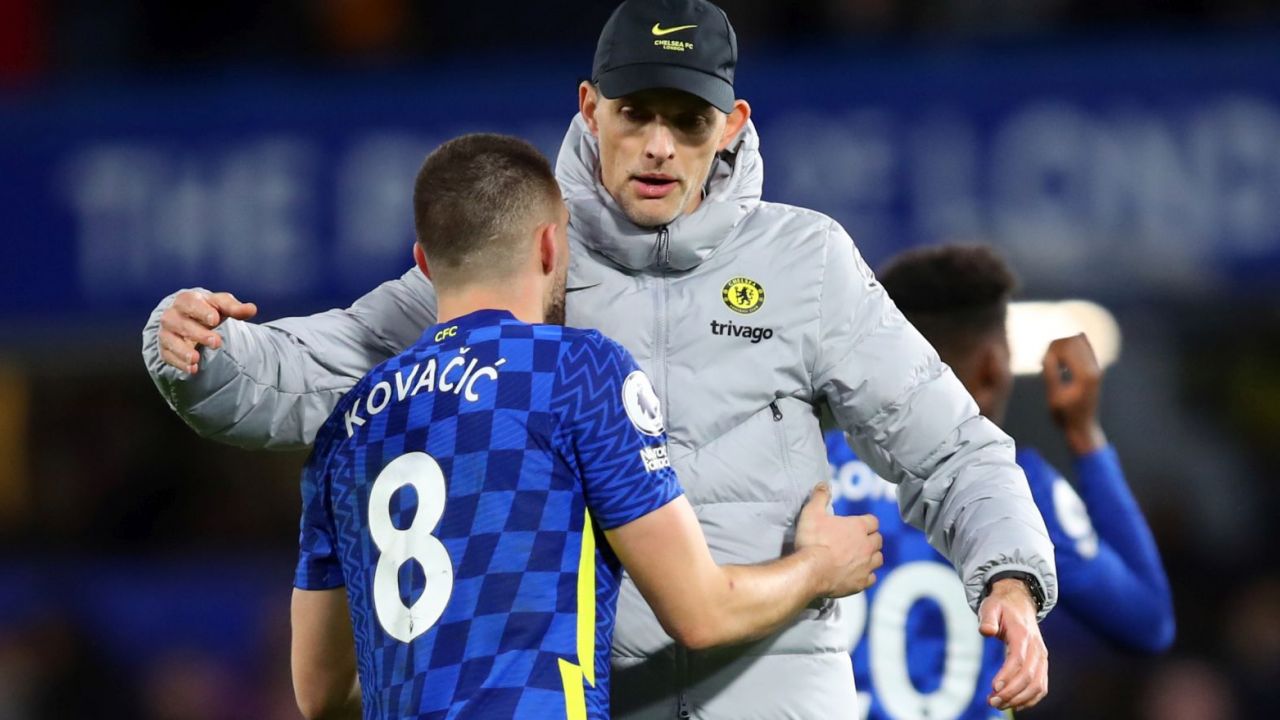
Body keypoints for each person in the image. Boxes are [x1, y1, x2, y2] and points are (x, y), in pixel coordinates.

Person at [142, 1, 1059, 716]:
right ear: (590, 107)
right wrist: (205, 354)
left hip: (778, 684)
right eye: (636, 113)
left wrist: (1009, 574)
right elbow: (328, 365)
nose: (659, 143)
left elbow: (949, 446)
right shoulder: (519, 253)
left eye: (687, 119)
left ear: (731, 125)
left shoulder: (806, 261)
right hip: (591, 693)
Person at [290, 133, 884, 720]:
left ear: (424, 262)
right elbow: (700, 613)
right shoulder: (574, 370)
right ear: (551, 246)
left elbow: (320, 693)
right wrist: (819, 568)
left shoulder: (349, 423)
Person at [826, 244, 1175, 720]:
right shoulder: (1019, 494)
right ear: (993, 369)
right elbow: (1148, 623)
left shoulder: (804, 470)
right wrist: (1084, 435)